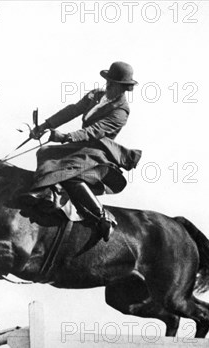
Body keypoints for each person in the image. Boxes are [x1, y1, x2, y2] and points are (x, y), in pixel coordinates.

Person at [26, 61, 142, 241]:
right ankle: (48, 193)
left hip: (98, 150)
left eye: (114, 83)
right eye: (108, 80)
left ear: (124, 88)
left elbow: (94, 131)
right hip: (81, 145)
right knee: (45, 151)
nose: (109, 85)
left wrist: (66, 137)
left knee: (72, 174)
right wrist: (45, 125)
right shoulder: (96, 95)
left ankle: (102, 216)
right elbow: (72, 110)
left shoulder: (121, 111)